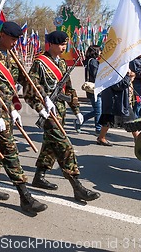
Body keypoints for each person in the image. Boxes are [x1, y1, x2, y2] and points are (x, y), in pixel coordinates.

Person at [24, 31, 100, 202]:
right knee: (65, 146)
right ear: (51, 44)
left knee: (50, 145)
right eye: (60, 44)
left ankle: (39, 176)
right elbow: (29, 89)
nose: (63, 47)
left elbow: (69, 89)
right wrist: (40, 106)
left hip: (61, 111)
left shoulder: (63, 64)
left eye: (65, 44)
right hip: (49, 113)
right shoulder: (40, 63)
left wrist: (77, 110)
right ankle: (77, 186)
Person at [0, 22, 47, 214]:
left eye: (17, 39)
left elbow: (26, 81)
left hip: (8, 110)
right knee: (9, 150)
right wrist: (5, 111)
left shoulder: (11, 55)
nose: (15, 42)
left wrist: (40, 104)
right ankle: (25, 196)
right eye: (12, 38)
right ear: (1, 35)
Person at [97, 69, 139, 146]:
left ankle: (137, 138)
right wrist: (128, 76)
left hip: (120, 101)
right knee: (108, 120)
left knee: (131, 119)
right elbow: (119, 86)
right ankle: (101, 138)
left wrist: (129, 76)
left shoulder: (116, 70)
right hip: (113, 101)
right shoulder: (111, 71)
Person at [74, 45, 102, 135]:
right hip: (95, 88)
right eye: (100, 51)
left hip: (91, 89)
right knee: (98, 110)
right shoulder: (93, 62)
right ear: (96, 52)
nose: (101, 52)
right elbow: (96, 75)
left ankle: (79, 121)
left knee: (97, 110)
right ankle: (98, 129)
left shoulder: (88, 61)